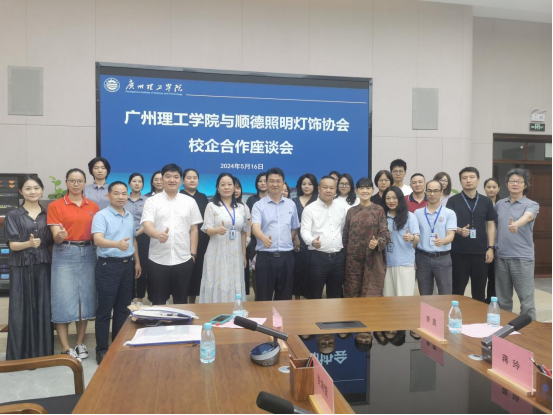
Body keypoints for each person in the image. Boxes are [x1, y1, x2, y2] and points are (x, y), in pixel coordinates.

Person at [48, 168, 100, 362]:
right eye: (72, 180)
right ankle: (65, 347)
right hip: (65, 252)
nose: (76, 184)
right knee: (62, 297)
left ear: (85, 183)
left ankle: (79, 343)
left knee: (85, 298)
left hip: (89, 252)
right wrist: (60, 236)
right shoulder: (56, 205)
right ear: (66, 182)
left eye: (79, 181)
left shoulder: (93, 206)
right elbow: (56, 237)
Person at [92, 182, 141, 365]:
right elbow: (98, 240)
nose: (120, 197)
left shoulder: (129, 215)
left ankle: (118, 346)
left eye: (123, 193)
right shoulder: (101, 215)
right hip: (108, 266)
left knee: (122, 309)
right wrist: (117, 245)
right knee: (105, 310)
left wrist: (137, 262)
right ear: (108, 196)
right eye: (116, 193)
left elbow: (133, 240)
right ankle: (102, 350)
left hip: (127, 266)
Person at [5, 175, 54, 361]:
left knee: (42, 305)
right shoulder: (13, 215)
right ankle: (20, 356)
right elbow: (12, 245)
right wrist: (28, 244)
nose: (32, 192)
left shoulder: (48, 214)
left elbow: (52, 240)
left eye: (36, 188)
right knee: (20, 307)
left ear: (41, 190)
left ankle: (43, 354)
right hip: (21, 265)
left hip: (43, 263)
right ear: (21, 192)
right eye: (28, 188)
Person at [141, 164, 203, 305]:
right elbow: (147, 226)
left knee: (181, 302)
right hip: (158, 260)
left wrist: (193, 255)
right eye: (168, 176)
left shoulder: (190, 201)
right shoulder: (151, 201)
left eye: (176, 177)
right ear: (162, 179)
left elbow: (194, 229)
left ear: (180, 180)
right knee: (158, 302)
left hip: (183, 259)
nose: (172, 180)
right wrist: (157, 234)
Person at [495, 168, 540, 320]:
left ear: (525, 185)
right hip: (501, 257)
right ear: (507, 184)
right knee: (503, 301)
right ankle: (504, 329)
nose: (515, 184)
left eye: (519, 181)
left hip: (522, 258)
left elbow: (528, 217)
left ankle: (529, 332)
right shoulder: (499, 204)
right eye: (512, 181)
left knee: (526, 301)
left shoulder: (531, 204)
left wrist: (516, 224)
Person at [446, 168, 497, 303]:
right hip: (458, 253)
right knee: (457, 290)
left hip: (481, 253)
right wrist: (459, 230)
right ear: (460, 181)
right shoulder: (453, 201)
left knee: (479, 292)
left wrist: (491, 248)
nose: (468, 180)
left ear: (478, 180)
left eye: (472, 177)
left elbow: (491, 225)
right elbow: (448, 225)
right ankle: (455, 315)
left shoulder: (486, 201)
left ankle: (478, 316)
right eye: (464, 178)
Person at [200, 173, 249, 303]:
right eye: (223, 185)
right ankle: (215, 309)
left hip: (235, 253)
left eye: (229, 184)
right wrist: (217, 230)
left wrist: (244, 255)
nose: (226, 187)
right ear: (217, 188)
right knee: (218, 279)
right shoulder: (211, 206)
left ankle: (235, 309)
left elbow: (243, 232)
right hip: (217, 251)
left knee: (234, 279)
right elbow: (207, 230)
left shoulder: (241, 208)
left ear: (234, 187)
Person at [252, 167, 300, 301]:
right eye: (271, 181)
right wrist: (263, 238)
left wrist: (286, 241)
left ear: (283, 183)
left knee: (285, 300)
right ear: (267, 183)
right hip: (265, 257)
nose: (275, 184)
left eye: (278, 181)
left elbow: (294, 227)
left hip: (286, 258)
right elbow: (255, 227)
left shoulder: (291, 205)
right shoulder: (258, 205)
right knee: (263, 299)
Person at [301, 176, 347, 299]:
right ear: (319, 188)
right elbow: (304, 231)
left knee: (335, 296)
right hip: (318, 258)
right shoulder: (310, 209)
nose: (328, 190)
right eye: (325, 187)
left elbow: (342, 229)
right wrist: (312, 241)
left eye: (331, 188)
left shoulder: (341, 207)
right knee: (314, 295)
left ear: (335, 190)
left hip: (338, 258)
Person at [343, 178, 390, 298]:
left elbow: (385, 233)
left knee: (370, 294)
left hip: (372, 259)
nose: (365, 191)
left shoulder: (378, 210)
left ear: (372, 190)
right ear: (357, 190)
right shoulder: (351, 211)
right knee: (351, 293)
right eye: (362, 188)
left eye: (368, 188)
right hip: (352, 261)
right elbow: (345, 235)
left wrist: (377, 242)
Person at [414, 180, 457, 295]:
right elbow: (415, 237)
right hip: (423, 258)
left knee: (445, 293)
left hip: (442, 258)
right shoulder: (418, 213)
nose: (432, 194)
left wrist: (442, 241)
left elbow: (451, 235)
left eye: (436, 191)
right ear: (426, 192)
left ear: (441, 192)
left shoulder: (449, 213)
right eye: (429, 191)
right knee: (424, 294)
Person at [381, 187, 420, 297]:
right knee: (388, 300)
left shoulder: (409, 216)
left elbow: (417, 238)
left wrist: (411, 237)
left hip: (405, 264)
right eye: (388, 198)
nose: (391, 201)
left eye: (394, 198)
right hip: (386, 264)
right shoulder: (382, 216)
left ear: (400, 199)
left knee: (404, 300)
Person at [180, 169, 210, 305]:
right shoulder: (179, 196)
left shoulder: (203, 197)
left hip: (202, 240)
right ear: (183, 180)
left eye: (195, 178)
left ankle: (192, 302)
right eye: (189, 177)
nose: (192, 180)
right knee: (183, 271)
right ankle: (180, 301)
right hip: (183, 239)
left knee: (197, 271)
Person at [292, 174, 318, 300]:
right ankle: (297, 299)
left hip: (314, 240)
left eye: (310, 184)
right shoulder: (294, 201)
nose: (306, 186)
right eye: (304, 184)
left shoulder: (318, 201)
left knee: (311, 272)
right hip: (297, 240)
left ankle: (309, 299)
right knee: (298, 270)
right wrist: (296, 237)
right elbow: (292, 222)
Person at [126, 173, 150, 306]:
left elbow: (148, 221)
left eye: (139, 181)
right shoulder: (123, 199)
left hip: (143, 236)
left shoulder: (147, 201)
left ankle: (140, 297)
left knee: (142, 266)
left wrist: (136, 234)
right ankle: (129, 298)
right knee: (129, 267)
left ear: (143, 184)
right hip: (125, 237)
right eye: (134, 181)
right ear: (129, 183)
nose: (137, 183)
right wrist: (131, 235)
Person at [246, 172, 268, 296]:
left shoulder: (274, 199)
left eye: (265, 181)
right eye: (260, 181)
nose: (263, 183)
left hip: (271, 241)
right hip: (255, 242)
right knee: (256, 271)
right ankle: (257, 297)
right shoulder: (251, 200)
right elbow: (249, 222)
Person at [484, 178, 501, 302]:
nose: (491, 189)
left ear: (498, 189)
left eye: (494, 187)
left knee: (494, 277)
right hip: (483, 245)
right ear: (484, 189)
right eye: (488, 187)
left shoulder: (501, 205)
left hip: (497, 246)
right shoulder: (481, 203)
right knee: (482, 276)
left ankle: (491, 300)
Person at [234, 178, 252, 295]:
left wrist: (247, 240)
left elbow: (248, 226)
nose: (236, 190)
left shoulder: (244, 206)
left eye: (238, 188)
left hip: (242, 245)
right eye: (234, 187)